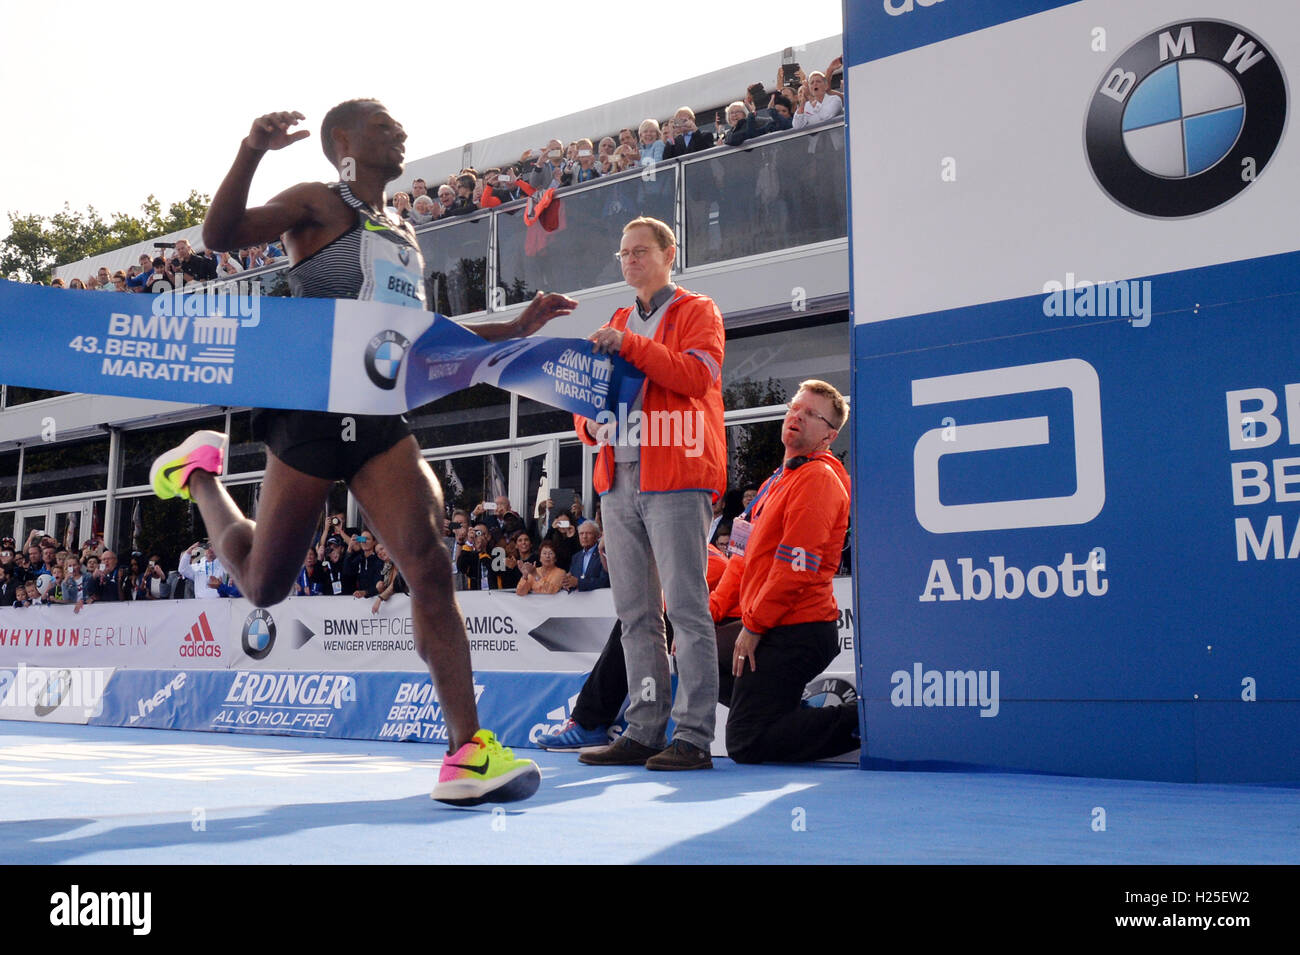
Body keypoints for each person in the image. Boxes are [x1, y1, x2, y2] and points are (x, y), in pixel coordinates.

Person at [151, 101, 576, 805]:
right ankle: (199, 475)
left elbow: (422, 335)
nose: (401, 132)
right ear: (343, 142)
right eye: (384, 124)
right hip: (313, 407)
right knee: (264, 585)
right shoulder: (317, 202)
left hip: (379, 410)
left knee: (429, 560)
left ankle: (466, 751)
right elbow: (221, 235)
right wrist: (252, 149)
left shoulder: (402, 230)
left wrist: (513, 328)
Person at [574, 216, 726, 772]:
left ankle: (692, 736)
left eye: (641, 250)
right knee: (635, 614)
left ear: (669, 254)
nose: (630, 259)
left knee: (686, 609)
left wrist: (632, 345)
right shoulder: (616, 318)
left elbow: (695, 378)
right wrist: (589, 428)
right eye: (623, 253)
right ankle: (642, 728)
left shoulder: (697, 310)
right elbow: (588, 396)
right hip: (619, 478)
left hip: (677, 475)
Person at [710, 380, 858, 763]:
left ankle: (863, 721)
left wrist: (754, 627)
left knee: (745, 741)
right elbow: (739, 560)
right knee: (695, 651)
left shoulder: (818, 480)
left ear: (829, 434)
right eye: (795, 407)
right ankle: (783, 713)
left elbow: (796, 569)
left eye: (811, 414)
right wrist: (709, 615)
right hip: (774, 624)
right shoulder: (775, 482)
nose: (797, 416)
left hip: (800, 629)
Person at [562, 521, 609, 592]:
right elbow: (572, 580)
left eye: (589, 533)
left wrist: (579, 583)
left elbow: (605, 581)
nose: (584, 536)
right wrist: (567, 583)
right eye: (581, 533)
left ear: (597, 536)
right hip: (579, 601)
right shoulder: (576, 557)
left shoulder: (604, 554)